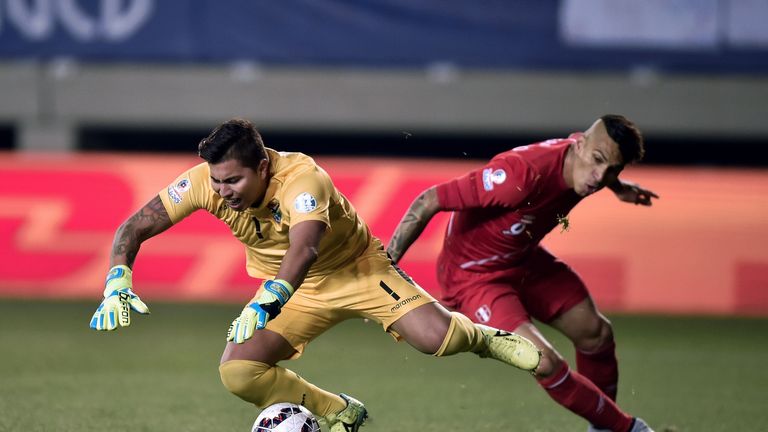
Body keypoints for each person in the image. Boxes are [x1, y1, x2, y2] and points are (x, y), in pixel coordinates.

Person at [88, 118, 541, 432]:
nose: (223, 192)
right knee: (240, 372)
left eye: (234, 182)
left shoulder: (303, 178)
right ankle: (340, 411)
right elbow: (135, 226)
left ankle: (486, 339)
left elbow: (303, 249)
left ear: (262, 166)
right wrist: (117, 279)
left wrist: (267, 299)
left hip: (356, 270)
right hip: (295, 292)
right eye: (218, 181)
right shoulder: (206, 182)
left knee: (436, 340)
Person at [386, 115, 658, 432]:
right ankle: (628, 429)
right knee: (542, 360)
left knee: (595, 332)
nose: (600, 177)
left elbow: (603, 163)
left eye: (613, 170)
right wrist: (386, 266)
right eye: (598, 162)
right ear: (580, 144)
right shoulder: (521, 174)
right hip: (474, 276)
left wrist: (619, 187)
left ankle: (602, 428)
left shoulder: (589, 163)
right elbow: (428, 199)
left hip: (521, 259)